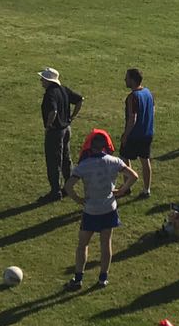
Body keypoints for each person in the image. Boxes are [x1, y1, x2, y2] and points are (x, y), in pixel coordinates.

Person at [63, 129, 137, 291]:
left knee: (83, 245)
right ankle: (103, 278)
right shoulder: (114, 161)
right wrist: (121, 190)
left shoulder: (84, 166)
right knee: (106, 244)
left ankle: (78, 278)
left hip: (91, 210)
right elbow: (134, 176)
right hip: (109, 208)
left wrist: (79, 200)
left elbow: (68, 186)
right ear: (106, 146)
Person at [39, 67, 83, 200]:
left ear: (48, 80)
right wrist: (72, 117)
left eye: (43, 78)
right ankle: (68, 186)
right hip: (66, 129)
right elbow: (80, 100)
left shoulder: (50, 93)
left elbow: (53, 111)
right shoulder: (64, 90)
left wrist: (48, 125)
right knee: (66, 158)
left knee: (53, 161)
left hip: (55, 131)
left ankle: (55, 191)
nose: (41, 81)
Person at [120, 67, 154, 198]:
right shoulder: (148, 92)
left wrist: (125, 135)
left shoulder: (132, 97)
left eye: (127, 78)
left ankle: (126, 188)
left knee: (124, 159)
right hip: (147, 133)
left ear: (133, 80)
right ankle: (147, 190)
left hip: (134, 135)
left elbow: (132, 118)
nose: (125, 80)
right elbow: (153, 110)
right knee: (145, 161)